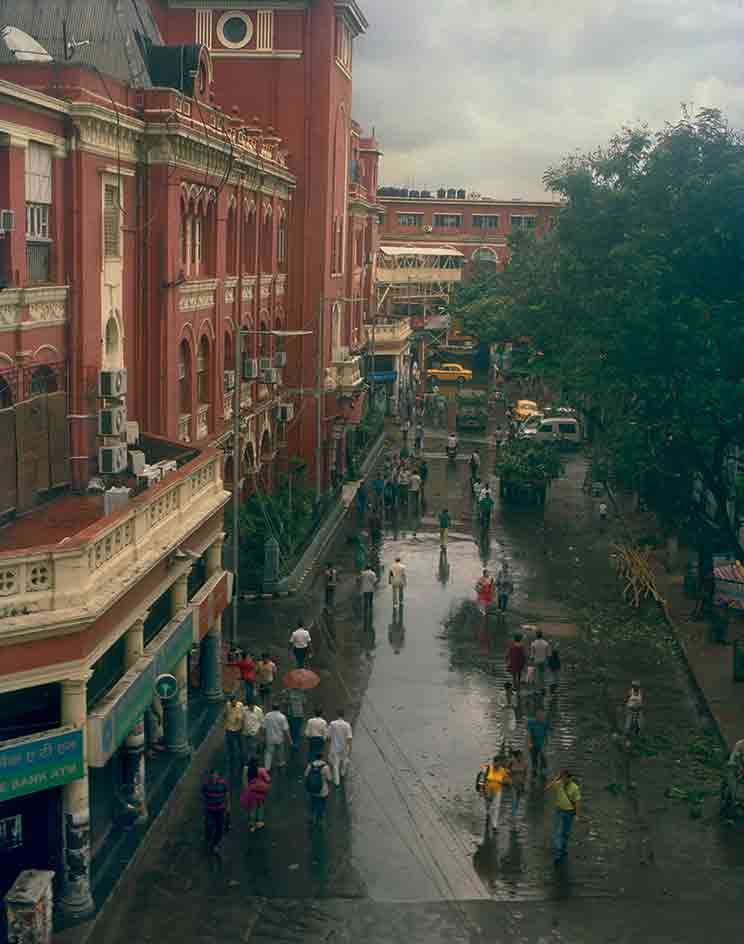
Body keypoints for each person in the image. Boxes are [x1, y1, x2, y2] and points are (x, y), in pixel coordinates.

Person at [547, 769, 581, 863]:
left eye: (565, 778)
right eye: (562, 777)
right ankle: (558, 852)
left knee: (566, 832)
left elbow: (577, 802)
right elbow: (548, 787)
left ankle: (563, 849)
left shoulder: (575, 788)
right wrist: (556, 778)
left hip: (569, 812)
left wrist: (577, 815)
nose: (564, 779)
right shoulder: (559, 784)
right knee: (558, 832)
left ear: (569, 778)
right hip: (559, 811)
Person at [476, 755, 511, 835]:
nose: (498, 765)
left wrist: (506, 781)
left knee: (496, 807)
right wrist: (481, 790)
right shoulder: (487, 768)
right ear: (494, 762)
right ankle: (488, 812)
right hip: (487, 791)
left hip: (497, 791)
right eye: (497, 763)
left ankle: (494, 826)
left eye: (500, 763)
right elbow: (481, 779)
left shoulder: (502, 770)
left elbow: (507, 780)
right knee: (488, 805)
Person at [240, 756, 272, 832]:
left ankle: (252, 824)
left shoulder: (246, 770)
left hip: (251, 792)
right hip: (260, 792)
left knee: (252, 808)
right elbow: (268, 779)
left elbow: (244, 781)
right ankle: (259, 821)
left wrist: (246, 790)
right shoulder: (261, 770)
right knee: (260, 806)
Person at [201, 768, 229, 853]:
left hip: (220, 810)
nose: (214, 776)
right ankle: (208, 838)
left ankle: (215, 844)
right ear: (210, 775)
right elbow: (202, 795)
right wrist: (205, 804)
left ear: (218, 775)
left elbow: (227, 794)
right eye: (213, 774)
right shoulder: (206, 784)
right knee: (209, 826)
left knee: (220, 829)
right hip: (210, 810)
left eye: (216, 774)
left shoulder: (223, 784)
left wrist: (228, 807)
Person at [326, 709, 353, 786]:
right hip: (344, 747)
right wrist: (350, 748)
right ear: (343, 715)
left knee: (335, 765)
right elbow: (349, 738)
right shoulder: (347, 725)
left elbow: (328, 736)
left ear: (337, 715)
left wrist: (329, 745)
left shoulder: (332, 724)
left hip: (334, 747)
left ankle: (337, 782)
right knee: (344, 761)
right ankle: (342, 774)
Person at [305, 754, 333, 826]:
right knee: (322, 804)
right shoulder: (326, 767)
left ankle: (311, 817)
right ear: (322, 758)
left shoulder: (310, 765)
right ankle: (320, 819)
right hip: (323, 790)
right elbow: (329, 779)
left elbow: (306, 775)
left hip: (312, 790)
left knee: (313, 803)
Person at [263, 703, 292, 771]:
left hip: (270, 738)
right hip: (279, 738)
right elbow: (286, 729)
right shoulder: (282, 716)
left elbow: (264, 727)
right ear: (279, 708)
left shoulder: (267, 716)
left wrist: (263, 737)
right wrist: (290, 740)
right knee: (280, 752)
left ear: (272, 708)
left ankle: (267, 767)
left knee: (269, 753)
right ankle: (280, 764)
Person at [223, 693, 245, 775]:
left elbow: (243, 715)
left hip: (238, 728)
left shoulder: (240, 705)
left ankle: (242, 758)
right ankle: (232, 759)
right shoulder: (227, 705)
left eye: (234, 701)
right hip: (229, 728)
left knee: (240, 744)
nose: (233, 703)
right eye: (232, 702)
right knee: (230, 745)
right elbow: (225, 714)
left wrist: (240, 720)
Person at [527, 707, 549, 776]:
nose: (541, 717)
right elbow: (529, 734)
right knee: (534, 759)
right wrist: (529, 743)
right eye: (539, 715)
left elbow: (546, 733)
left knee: (543, 757)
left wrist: (546, 742)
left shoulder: (545, 723)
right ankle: (534, 771)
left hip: (541, 744)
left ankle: (544, 771)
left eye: (542, 716)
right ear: (536, 716)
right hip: (533, 745)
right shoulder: (531, 723)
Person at [496, 681, 517, 752]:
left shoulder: (514, 694)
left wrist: (512, 706)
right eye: (510, 688)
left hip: (511, 712)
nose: (511, 689)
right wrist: (504, 706)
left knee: (512, 727)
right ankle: (503, 742)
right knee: (503, 727)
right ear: (506, 689)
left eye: (511, 688)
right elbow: (499, 703)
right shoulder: (501, 694)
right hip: (503, 712)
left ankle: (510, 742)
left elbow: (516, 704)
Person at [508, 748, 528, 817]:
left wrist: (524, 784)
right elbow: (507, 771)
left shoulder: (525, 763)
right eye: (519, 755)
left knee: (518, 800)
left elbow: (525, 774)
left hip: (520, 784)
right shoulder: (512, 762)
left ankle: (514, 811)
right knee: (514, 799)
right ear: (516, 756)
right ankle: (513, 815)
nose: (521, 757)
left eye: (521, 755)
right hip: (513, 784)